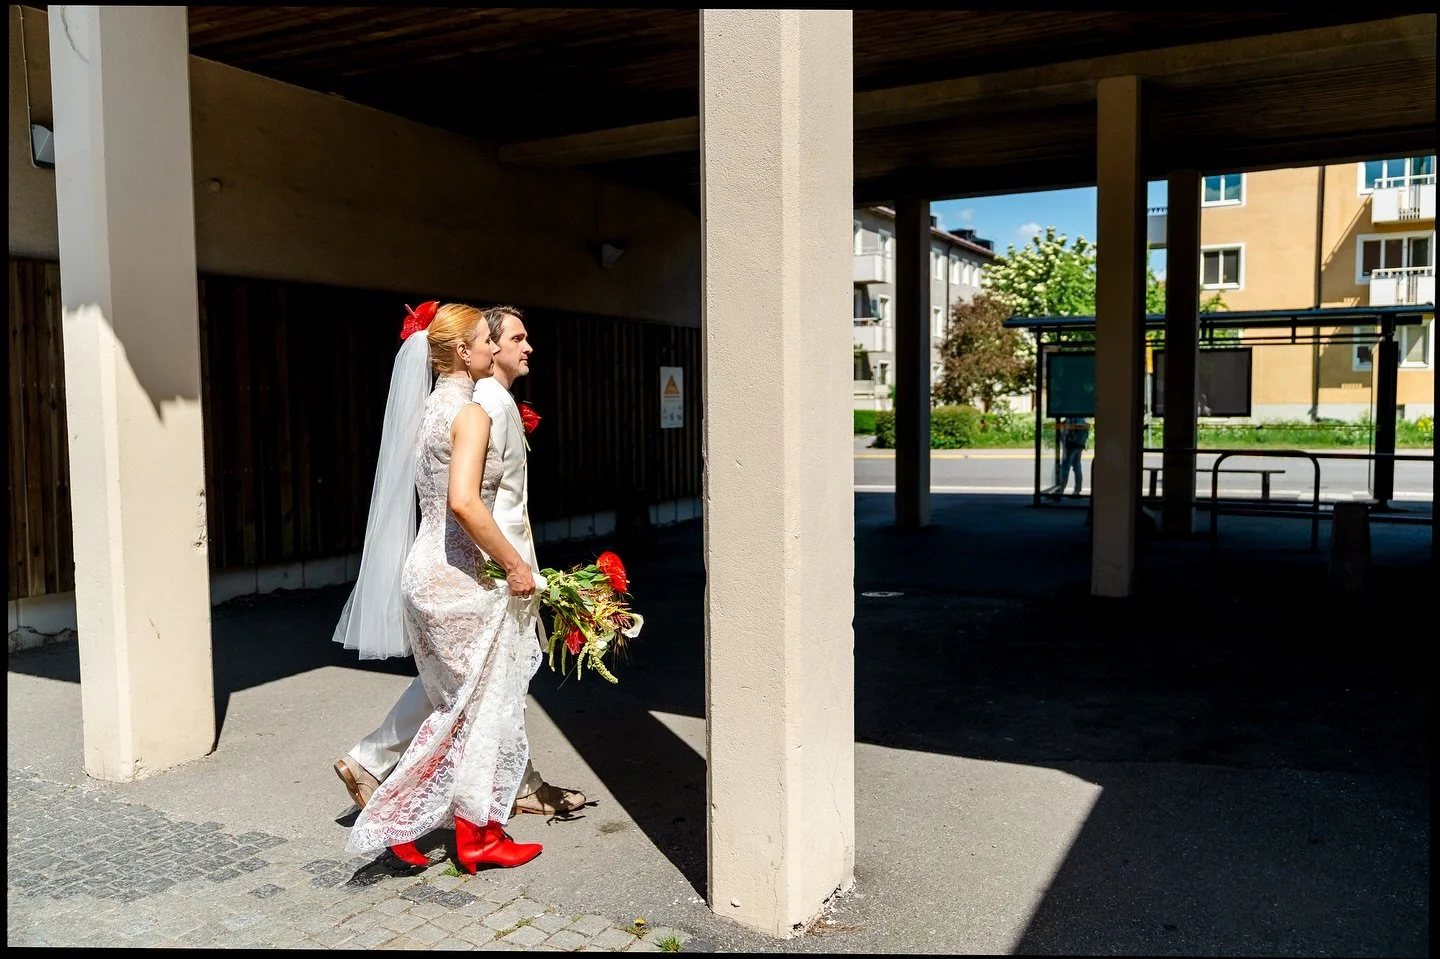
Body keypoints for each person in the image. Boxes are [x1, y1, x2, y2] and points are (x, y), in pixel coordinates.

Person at [333, 305, 586, 821]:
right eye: (510, 338)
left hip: (440, 559)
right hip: (475, 564)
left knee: (468, 683)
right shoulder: (477, 407)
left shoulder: (443, 403)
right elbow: (470, 501)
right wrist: (514, 566)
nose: (521, 347)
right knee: (482, 688)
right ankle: (406, 805)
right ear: (468, 350)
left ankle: (387, 770)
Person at [1047, 415, 1089, 501]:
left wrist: (1062, 437)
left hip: (1070, 445)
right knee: (1077, 466)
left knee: (1065, 467)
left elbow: (1067, 432)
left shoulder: (1070, 418)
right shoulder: (1082, 419)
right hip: (1079, 445)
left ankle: (1060, 491)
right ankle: (1077, 491)